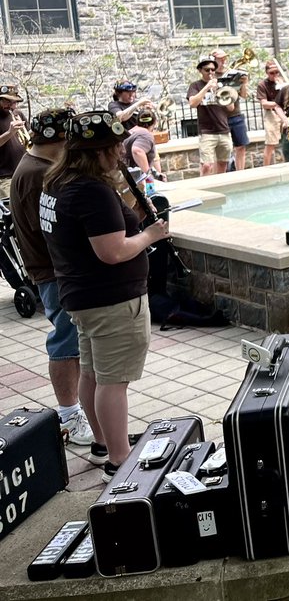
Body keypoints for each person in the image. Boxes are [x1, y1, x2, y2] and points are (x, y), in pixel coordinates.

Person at [40, 111, 168, 480]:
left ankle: (103, 441)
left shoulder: (58, 181)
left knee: (94, 373)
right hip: (111, 299)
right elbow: (111, 252)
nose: (121, 152)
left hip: (82, 295)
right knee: (114, 381)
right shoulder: (91, 191)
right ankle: (118, 460)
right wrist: (150, 235)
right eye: (115, 146)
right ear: (100, 150)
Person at [9, 107, 96, 451]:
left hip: (56, 270)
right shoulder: (36, 174)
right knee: (65, 341)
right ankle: (69, 415)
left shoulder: (38, 167)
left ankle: (73, 411)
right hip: (54, 273)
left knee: (70, 340)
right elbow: (49, 231)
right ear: (59, 139)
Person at [186, 56, 235, 176]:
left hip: (223, 130)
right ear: (200, 71)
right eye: (207, 70)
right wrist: (207, 87)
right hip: (207, 132)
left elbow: (231, 108)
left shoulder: (222, 85)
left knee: (223, 163)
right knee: (207, 165)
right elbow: (192, 103)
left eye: (213, 70)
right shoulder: (195, 86)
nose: (211, 72)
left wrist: (221, 90)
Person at [212, 49, 250, 171]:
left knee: (241, 146)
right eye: (220, 59)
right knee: (223, 150)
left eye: (224, 58)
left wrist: (244, 83)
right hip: (219, 117)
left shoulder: (232, 73)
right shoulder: (211, 76)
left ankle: (240, 173)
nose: (223, 61)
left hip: (236, 114)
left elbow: (243, 95)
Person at [256, 59, 289, 167]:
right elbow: (264, 103)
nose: (275, 75)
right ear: (267, 73)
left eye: (277, 72)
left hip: (285, 112)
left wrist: (283, 87)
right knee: (271, 143)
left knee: (287, 141)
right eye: (271, 73)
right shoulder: (262, 85)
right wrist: (276, 104)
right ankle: (266, 169)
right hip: (272, 113)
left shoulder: (283, 82)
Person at [123, 109, 164, 185]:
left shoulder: (131, 132)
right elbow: (137, 151)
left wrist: (156, 174)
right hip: (136, 181)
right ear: (155, 122)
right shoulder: (145, 134)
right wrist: (149, 177)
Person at [0, 82, 27, 198]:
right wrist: (9, 133)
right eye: (7, 101)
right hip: (5, 178)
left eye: (14, 102)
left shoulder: (18, 114)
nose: (12, 106)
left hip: (22, 173)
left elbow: (28, 137)